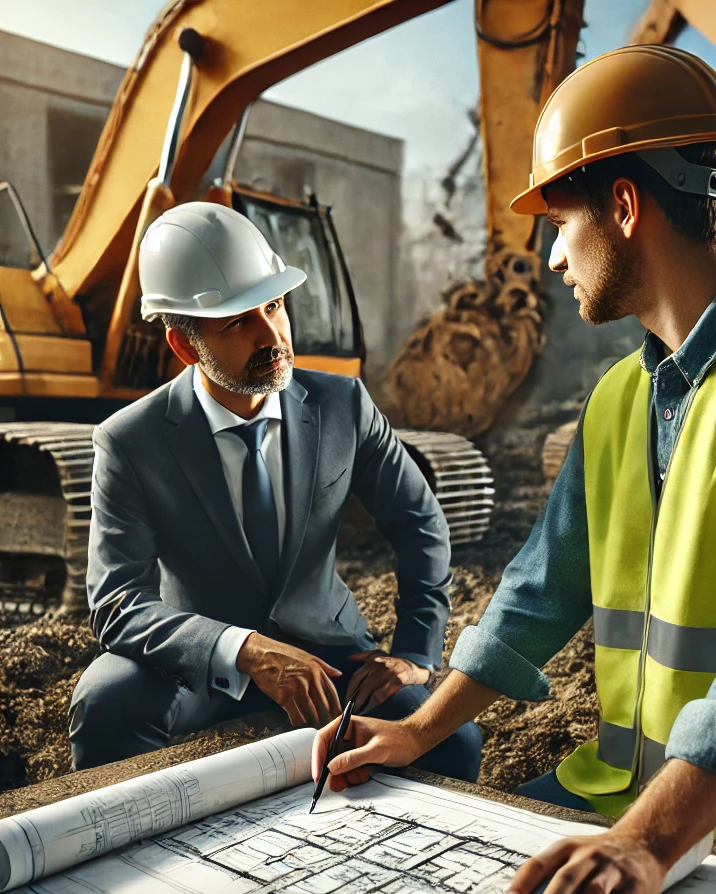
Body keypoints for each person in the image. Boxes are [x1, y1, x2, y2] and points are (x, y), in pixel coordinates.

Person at [311, 45, 716, 894]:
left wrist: (644, 846)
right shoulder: (618, 401)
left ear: (626, 206)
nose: (555, 260)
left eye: (559, 225)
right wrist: (420, 732)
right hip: (631, 800)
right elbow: (536, 593)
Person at [70, 201, 481, 781]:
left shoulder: (345, 406)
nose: (273, 336)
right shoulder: (130, 441)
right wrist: (243, 650)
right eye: (238, 321)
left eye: (274, 305)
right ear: (186, 347)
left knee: (453, 742)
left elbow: (418, 520)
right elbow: (118, 603)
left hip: (334, 655)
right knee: (105, 701)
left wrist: (415, 653)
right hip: (202, 663)